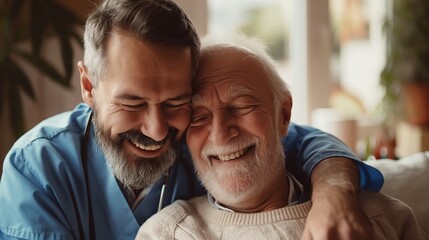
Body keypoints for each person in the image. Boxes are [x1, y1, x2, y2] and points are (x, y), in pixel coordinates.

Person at [0, 0, 382, 239]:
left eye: (175, 102)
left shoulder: (201, 137)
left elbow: (299, 141)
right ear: (88, 85)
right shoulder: (36, 168)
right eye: (132, 102)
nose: (157, 129)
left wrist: (334, 195)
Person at [136, 35, 427, 240]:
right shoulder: (167, 233)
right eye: (199, 116)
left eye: (241, 106)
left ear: (283, 115)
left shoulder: (383, 219)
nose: (221, 132)